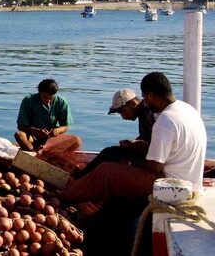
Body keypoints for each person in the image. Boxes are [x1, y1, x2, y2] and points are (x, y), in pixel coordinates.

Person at [61, 72, 207, 203]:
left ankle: (64, 196)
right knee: (113, 157)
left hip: (170, 184)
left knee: (106, 171)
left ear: (150, 95)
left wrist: (129, 162)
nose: (145, 102)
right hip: (191, 181)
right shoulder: (188, 109)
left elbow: (155, 166)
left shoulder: (165, 120)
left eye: (145, 97)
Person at [73, 88, 155, 178]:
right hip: (147, 152)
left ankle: (79, 177)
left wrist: (134, 145)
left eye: (122, 112)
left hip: (151, 158)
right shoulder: (143, 111)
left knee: (108, 153)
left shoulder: (148, 114)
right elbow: (147, 137)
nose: (123, 117)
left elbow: (154, 144)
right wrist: (133, 143)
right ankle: (82, 175)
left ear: (133, 103)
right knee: (109, 152)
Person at [15, 79, 73, 151]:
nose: (48, 101)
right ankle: (32, 151)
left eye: (51, 98)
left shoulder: (61, 102)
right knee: (19, 135)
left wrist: (57, 130)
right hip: (33, 137)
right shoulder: (28, 100)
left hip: (52, 139)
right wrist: (36, 131)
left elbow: (65, 126)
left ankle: (42, 149)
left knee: (76, 140)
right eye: (45, 97)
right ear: (40, 93)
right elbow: (20, 126)